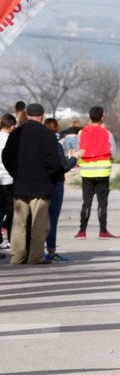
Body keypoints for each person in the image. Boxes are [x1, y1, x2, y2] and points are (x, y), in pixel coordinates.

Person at [1, 104, 62, 264]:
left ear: (27, 115)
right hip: (41, 187)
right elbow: (54, 162)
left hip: (20, 185)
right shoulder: (48, 134)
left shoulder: (16, 133)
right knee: (39, 224)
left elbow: (5, 155)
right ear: (42, 116)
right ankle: (35, 257)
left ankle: (17, 256)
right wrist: (51, 178)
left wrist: (15, 173)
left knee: (19, 224)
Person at [75, 106, 116, 239]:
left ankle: (82, 231)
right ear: (102, 118)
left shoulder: (81, 133)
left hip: (86, 173)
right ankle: (103, 231)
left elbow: (78, 151)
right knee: (102, 202)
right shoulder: (107, 133)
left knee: (86, 202)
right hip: (103, 172)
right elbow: (113, 153)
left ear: (89, 117)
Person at [43, 118, 80, 263]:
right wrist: (74, 158)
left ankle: (35, 250)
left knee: (39, 219)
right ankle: (51, 251)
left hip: (41, 184)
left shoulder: (40, 144)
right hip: (56, 184)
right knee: (52, 219)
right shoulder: (56, 145)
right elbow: (62, 167)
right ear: (56, 129)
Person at [0, 113, 15, 251]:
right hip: (9, 179)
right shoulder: (12, 140)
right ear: (12, 126)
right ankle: (11, 239)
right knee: (11, 212)